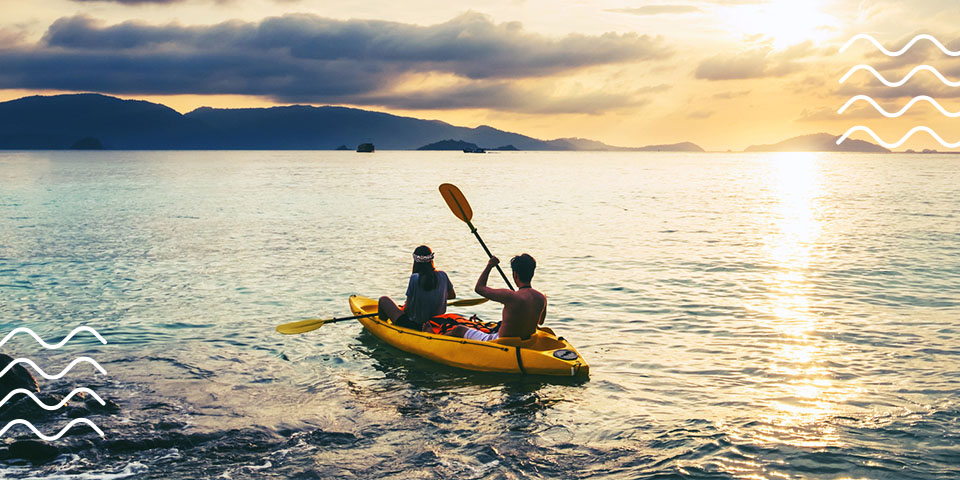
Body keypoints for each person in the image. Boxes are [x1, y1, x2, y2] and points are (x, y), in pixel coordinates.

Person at [445, 253, 545, 342]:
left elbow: (479, 288)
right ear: (532, 273)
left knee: (459, 329)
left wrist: (490, 265)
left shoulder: (510, 296)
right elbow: (540, 322)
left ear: (515, 274)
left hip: (500, 341)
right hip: (525, 342)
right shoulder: (542, 297)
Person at [378, 245, 455, 331]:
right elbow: (452, 296)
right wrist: (435, 297)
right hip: (436, 323)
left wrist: (404, 307)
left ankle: (382, 327)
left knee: (383, 300)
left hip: (414, 325)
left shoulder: (415, 278)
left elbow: (407, 310)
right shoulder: (443, 275)